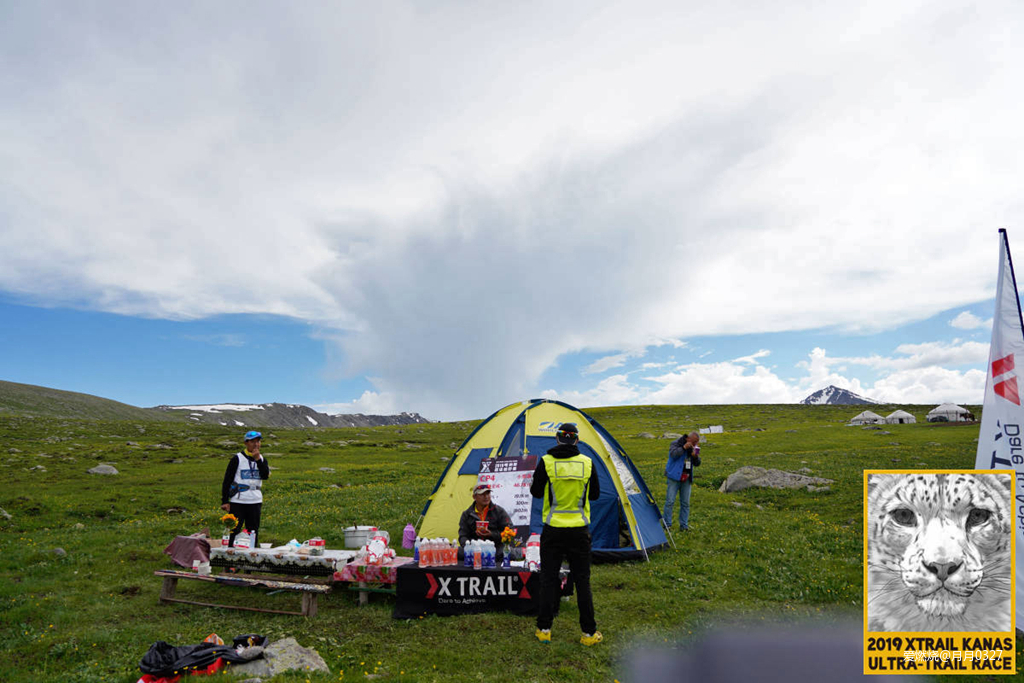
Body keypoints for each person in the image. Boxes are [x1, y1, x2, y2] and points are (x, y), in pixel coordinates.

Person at [530, 422, 602, 646]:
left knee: (548, 580)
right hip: (579, 531)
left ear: (557, 439)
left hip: (553, 530)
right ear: (577, 440)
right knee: (582, 582)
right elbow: (596, 496)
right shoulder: (588, 463)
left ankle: (544, 629)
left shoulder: (547, 462)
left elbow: (535, 492)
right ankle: (589, 634)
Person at [221, 430, 270, 547]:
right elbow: (227, 480)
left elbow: (265, 476)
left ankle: (252, 557)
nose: (256, 444)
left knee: (253, 531)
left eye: (258, 441)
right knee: (234, 530)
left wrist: (258, 460)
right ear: (246, 443)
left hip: (255, 500)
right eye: (252, 442)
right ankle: (230, 560)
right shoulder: (237, 458)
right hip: (238, 500)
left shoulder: (262, 459)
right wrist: (225, 501)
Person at [458, 481, 513, 563]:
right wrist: (470, 546)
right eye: (482, 494)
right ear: (474, 497)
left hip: (495, 550)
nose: (486, 497)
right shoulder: (466, 514)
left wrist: (491, 534)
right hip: (474, 551)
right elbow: (462, 536)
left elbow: (509, 533)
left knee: (505, 551)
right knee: (457, 551)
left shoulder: (499, 511)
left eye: (488, 493)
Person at [664, 431, 701, 531]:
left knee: (685, 503)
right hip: (674, 477)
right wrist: (684, 448)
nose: (695, 444)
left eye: (697, 442)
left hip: (686, 478)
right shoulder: (675, 443)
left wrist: (695, 456)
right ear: (688, 439)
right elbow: (673, 455)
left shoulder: (694, 448)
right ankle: (667, 524)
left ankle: (684, 525)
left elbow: (697, 463)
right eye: (694, 442)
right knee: (670, 501)